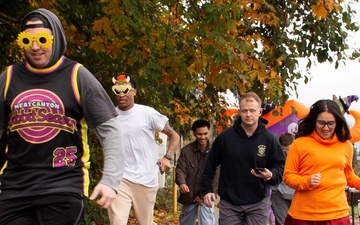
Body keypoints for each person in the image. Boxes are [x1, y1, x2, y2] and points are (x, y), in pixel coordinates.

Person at [0, 8, 124, 225]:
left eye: (42, 39)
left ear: (56, 38)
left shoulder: (78, 76)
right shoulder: (8, 77)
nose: (35, 47)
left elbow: (110, 131)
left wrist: (111, 180)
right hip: (14, 187)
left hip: (64, 186)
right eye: (27, 41)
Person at [200, 91, 286, 225]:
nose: (248, 114)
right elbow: (210, 164)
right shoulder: (225, 137)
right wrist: (207, 189)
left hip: (258, 201)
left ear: (260, 111)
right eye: (245, 110)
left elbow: (281, 166)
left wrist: (271, 174)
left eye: (252, 110)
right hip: (230, 202)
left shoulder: (269, 139)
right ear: (239, 112)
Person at [108, 72, 180, 225]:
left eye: (125, 90)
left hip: (146, 179)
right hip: (120, 178)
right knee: (117, 221)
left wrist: (167, 158)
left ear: (134, 91)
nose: (121, 94)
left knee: (145, 222)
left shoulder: (147, 113)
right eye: (117, 90)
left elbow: (174, 135)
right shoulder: (111, 117)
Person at [283, 99, 360, 225]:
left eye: (330, 123)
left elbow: (349, 176)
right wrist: (306, 181)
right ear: (314, 121)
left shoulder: (347, 146)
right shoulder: (299, 144)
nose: (325, 128)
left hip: (337, 215)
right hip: (303, 216)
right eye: (321, 123)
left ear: (338, 123)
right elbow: (288, 176)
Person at [176, 119, 219, 225]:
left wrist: (202, 195)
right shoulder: (186, 151)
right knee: (185, 222)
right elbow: (180, 169)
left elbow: (216, 176)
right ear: (194, 134)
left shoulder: (216, 151)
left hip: (207, 195)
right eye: (199, 134)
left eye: (205, 133)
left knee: (207, 222)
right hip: (189, 194)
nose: (203, 137)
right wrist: (182, 183)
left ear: (209, 132)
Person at [270, 132, 295, 225]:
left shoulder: (302, 154)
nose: (287, 153)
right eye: (284, 151)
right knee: (282, 222)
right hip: (279, 194)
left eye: (289, 149)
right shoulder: (276, 155)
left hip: (296, 195)